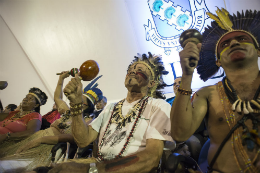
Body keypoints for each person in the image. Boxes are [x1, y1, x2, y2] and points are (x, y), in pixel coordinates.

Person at [47, 52, 173, 173]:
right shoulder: (110, 108)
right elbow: (83, 140)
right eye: (131, 69)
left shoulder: (158, 106)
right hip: (99, 166)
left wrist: (93, 170)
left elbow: (151, 159)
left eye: (139, 70)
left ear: (152, 83)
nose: (133, 71)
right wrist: (76, 105)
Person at [171, 8, 260, 173]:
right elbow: (179, 134)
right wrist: (186, 75)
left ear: (258, 50)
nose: (233, 43)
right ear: (218, 61)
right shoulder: (206, 94)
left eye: (242, 39)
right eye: (225, 44)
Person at [0, 73, 103, 172]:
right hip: (37, 138)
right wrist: (61, 79)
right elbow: (58, 98)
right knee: (5, 157)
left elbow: (74, 137)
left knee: (6, 165)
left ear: (87, 106)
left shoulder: (87, 121)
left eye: (80, 100)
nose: (74, 100)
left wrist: (43, 140)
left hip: (49, 147)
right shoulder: (67, 112)